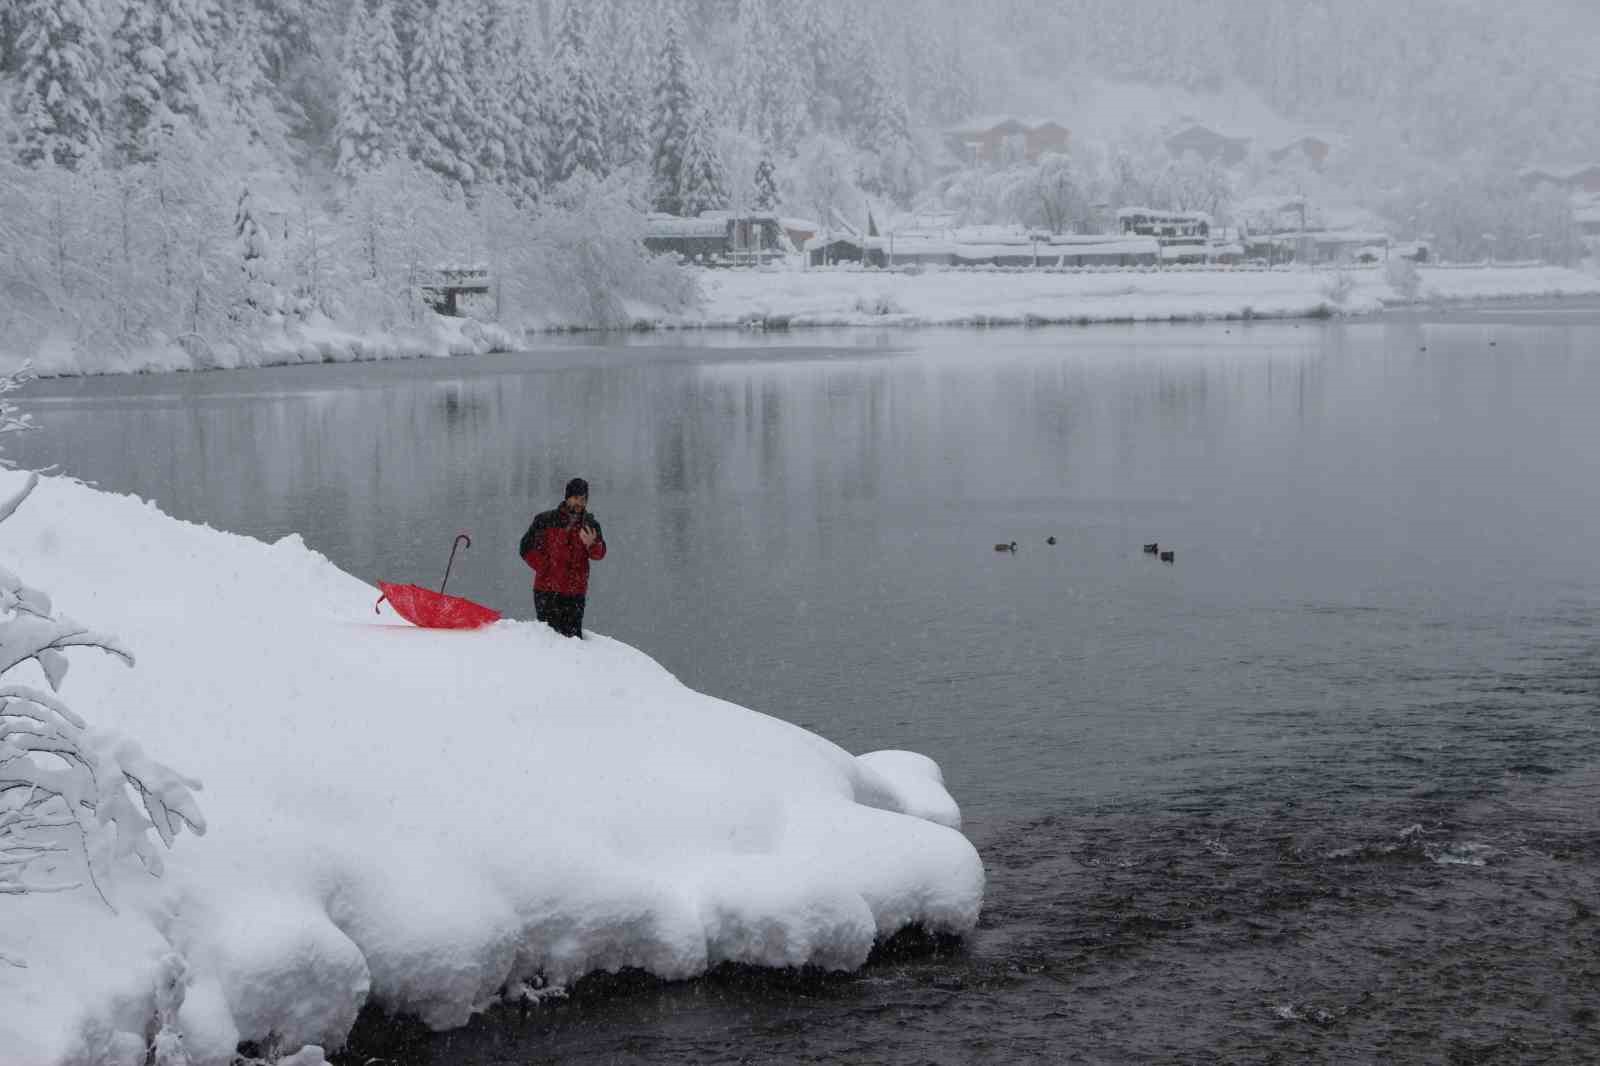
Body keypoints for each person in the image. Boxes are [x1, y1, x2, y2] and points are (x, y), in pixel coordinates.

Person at [519, 478, 606, 638]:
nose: (579, 503)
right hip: (546, 592)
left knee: (573, 641)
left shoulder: (590, 524)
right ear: (567, 497)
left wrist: (592, 544)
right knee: (548, 640)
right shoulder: (545, 520)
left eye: (583, 499)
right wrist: (545, 567)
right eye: (576, 498)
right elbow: (525, 548)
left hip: (575, 593)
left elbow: (599, 554)